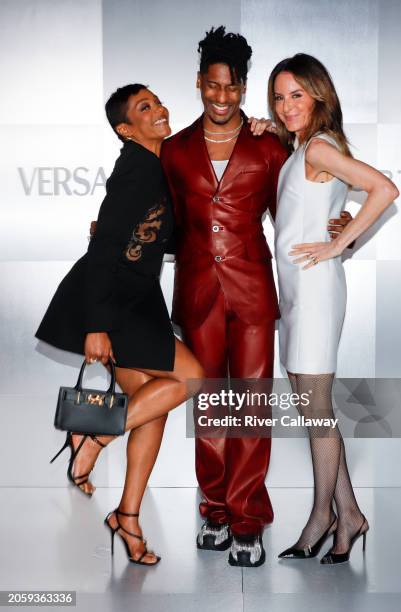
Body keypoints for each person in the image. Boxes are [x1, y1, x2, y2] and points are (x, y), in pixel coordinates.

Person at [160, 27, 352, 567]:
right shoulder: (173, 152)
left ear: (244, 88)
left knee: (248, 409)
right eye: (213, 87)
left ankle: (248, 518)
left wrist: (339, 224)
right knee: (210, 410)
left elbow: (297, 206)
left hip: (252, 294)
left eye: (233, 88)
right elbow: (170, 225)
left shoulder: (270, 145)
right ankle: (215, 510)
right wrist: (120, 236)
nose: (222, 98)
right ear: (200, 83)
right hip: (196, 292)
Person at [36, 84, 204, 566]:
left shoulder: (161, 163)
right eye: (144, 108)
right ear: (125, 130)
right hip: (116, 302)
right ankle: (94, 436)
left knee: (154, 404)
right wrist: (97, 325)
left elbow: (147, 237)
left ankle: (127, 517)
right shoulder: (135, 166)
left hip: (139, 297)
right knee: (189, 378)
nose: (159, 109)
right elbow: (107, 247)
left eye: (157, 100)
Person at [269, 54, 399, 564]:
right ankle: (351, 515)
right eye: (279, 97)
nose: (286, 106)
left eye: (297, 94)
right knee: (310, 409)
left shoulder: (319, 148)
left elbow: (383, 189)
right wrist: (336, 230)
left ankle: (322, 517)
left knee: (317, 411)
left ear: (319, 95)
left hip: (317, 291)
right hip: (297, 293)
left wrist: (339, 243)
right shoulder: (302, 147)